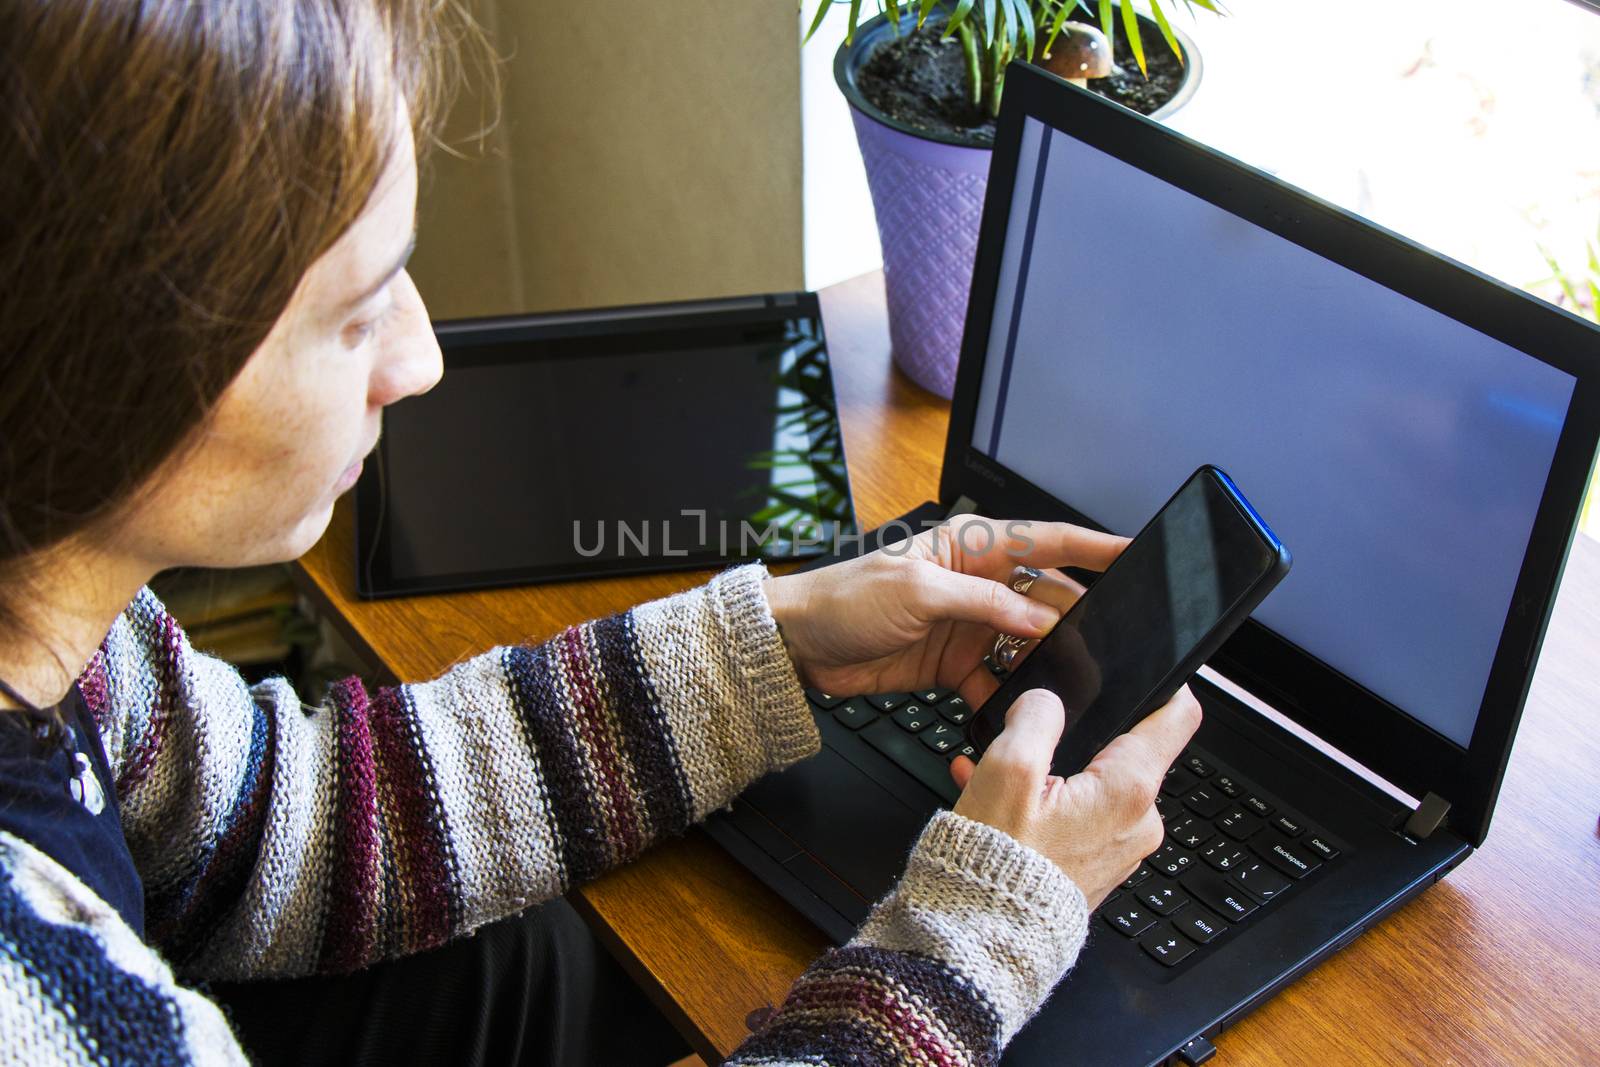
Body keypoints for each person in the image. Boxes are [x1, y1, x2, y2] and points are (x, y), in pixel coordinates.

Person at [0, 1, 1201, 1064]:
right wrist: (979, 932)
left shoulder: (56, 613)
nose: (418, 363)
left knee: (527, 962)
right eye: (358, 314)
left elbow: (268, 829)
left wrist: (772, 645)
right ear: (94, 361)